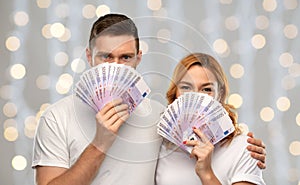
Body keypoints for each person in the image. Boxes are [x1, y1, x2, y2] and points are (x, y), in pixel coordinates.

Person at [32, 13, 266, 185]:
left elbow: (199, 130)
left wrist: (246, 148)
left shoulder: (158, 117)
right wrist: (100, 144)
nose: (115, 66)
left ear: (138, 59)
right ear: (89, 56)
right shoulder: (56, 117)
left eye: (125, 57)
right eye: (105, 57)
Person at [155, 53, 266, 185]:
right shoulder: (158, 144)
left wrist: (206, 173)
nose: (196, 97)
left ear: (220, 95)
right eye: (186, 87)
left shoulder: (244, 148)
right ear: (175, 94)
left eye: (207, 89)